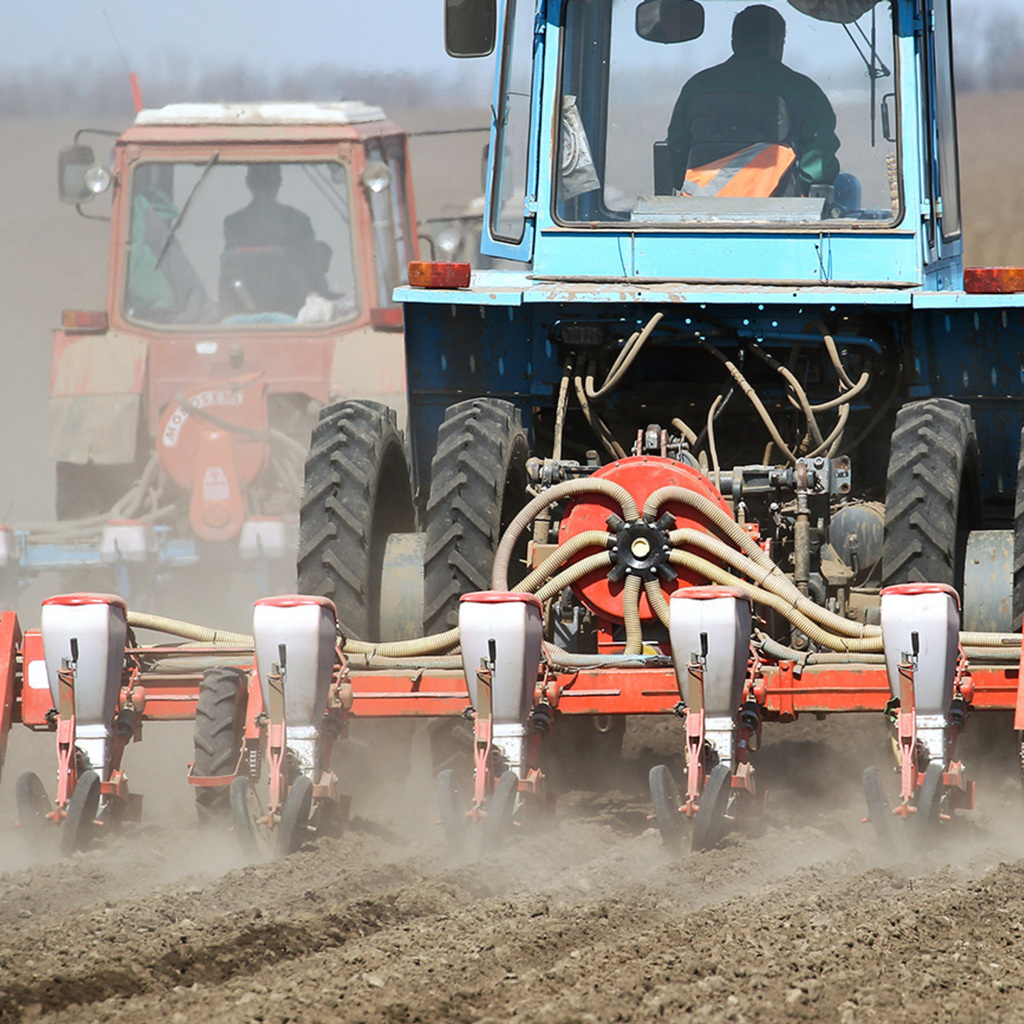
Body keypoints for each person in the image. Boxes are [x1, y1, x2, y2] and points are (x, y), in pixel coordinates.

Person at [666, 4, 840, 196]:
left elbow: (676, 153)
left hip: (701, 210)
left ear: (734, 42)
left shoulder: (697, 88)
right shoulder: (805, 92)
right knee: (847, 184)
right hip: (785, 216)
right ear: (777, 42)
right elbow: (819, 170)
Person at [221, 163, 331, 314]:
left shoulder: (234, 222)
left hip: (285, 310)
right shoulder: (299, 220)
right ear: (279, 181)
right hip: (294, 312)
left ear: (248, 182)